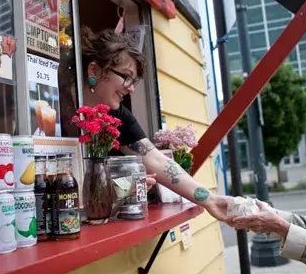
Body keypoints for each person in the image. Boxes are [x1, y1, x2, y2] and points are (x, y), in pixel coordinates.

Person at [79, 28, 233, 221]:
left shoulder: (115, 115)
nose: (131, 88)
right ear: (94, 70)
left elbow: (156, 160)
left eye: (134, 81)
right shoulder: (55, 101)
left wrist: (210, 200)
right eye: (126, 76)